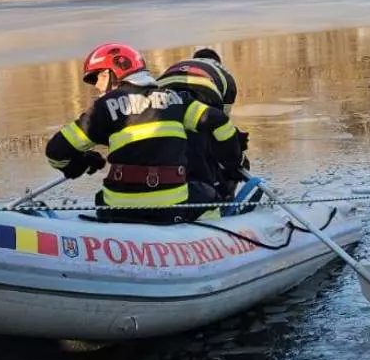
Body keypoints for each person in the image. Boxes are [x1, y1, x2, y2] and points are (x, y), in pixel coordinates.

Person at [45, 43, 243, 224]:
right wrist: (231, 164)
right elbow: (220, 123)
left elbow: (55, 152)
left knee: (102, 196)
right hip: (171, 209)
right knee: (208, 194)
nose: (97, 86)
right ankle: (209, 236)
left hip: (117, 211)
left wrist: (79, 163)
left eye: (100, 77)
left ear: (116, 72)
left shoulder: (103, 108)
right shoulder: (177, 100)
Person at [156, 48, 256, 209]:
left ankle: (173, 189)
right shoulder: (225, 75)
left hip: (161, 95)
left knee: (172, 143)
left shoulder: (181, 64)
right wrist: (233, 160)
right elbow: (222, 125)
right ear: (218, 61)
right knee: (207, 141)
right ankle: (218, 196)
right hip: (204, 93)